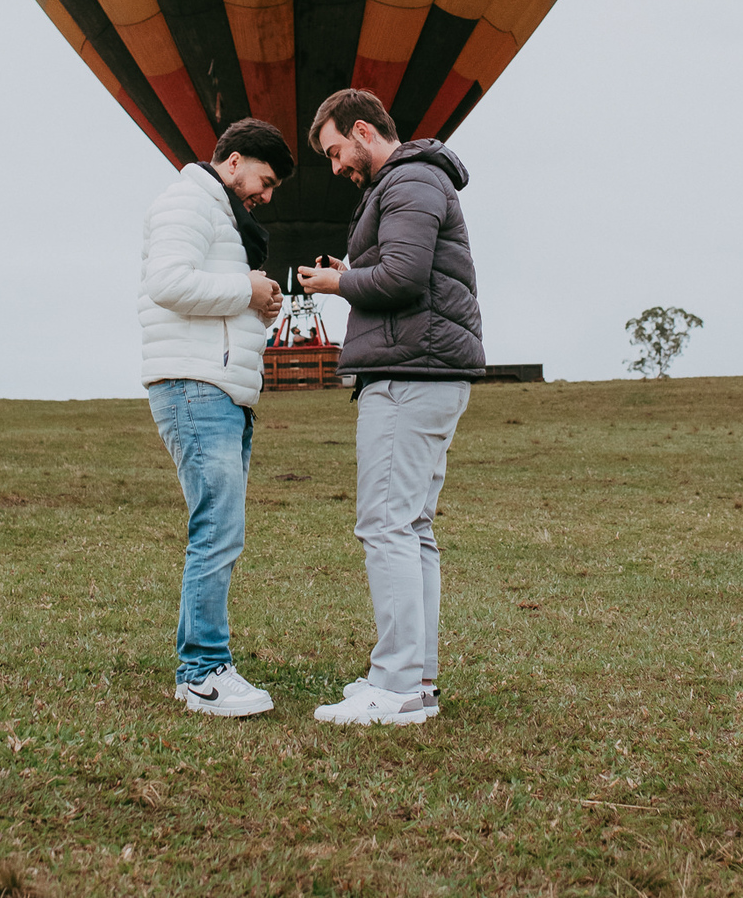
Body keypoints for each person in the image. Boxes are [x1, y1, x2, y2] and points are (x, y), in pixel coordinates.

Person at [298, 89, 484, 726]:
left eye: (333, 151)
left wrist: (336, 282)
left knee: (385, 525)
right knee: (411, 527)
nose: (334, 167)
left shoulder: (408, 183)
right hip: (424, 368)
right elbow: (406, 271)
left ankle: (397, 684)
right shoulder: (415, 184)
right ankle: (417, 681)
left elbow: (404, 278)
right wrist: (353, 268)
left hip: (410, 374)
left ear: (361, 131)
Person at [139, 117, 294, 718]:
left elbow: (214, 295)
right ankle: (204, 671)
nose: (267, 194)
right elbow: (167, 282)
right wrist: (246, 290)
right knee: (217, 530)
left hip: (219, 387)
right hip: (195, 386)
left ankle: (197, 667)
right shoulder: (187, 201)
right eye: (264, 179)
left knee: (218, 528)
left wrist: (260, 303)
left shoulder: (221, 215)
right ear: (233, 162)